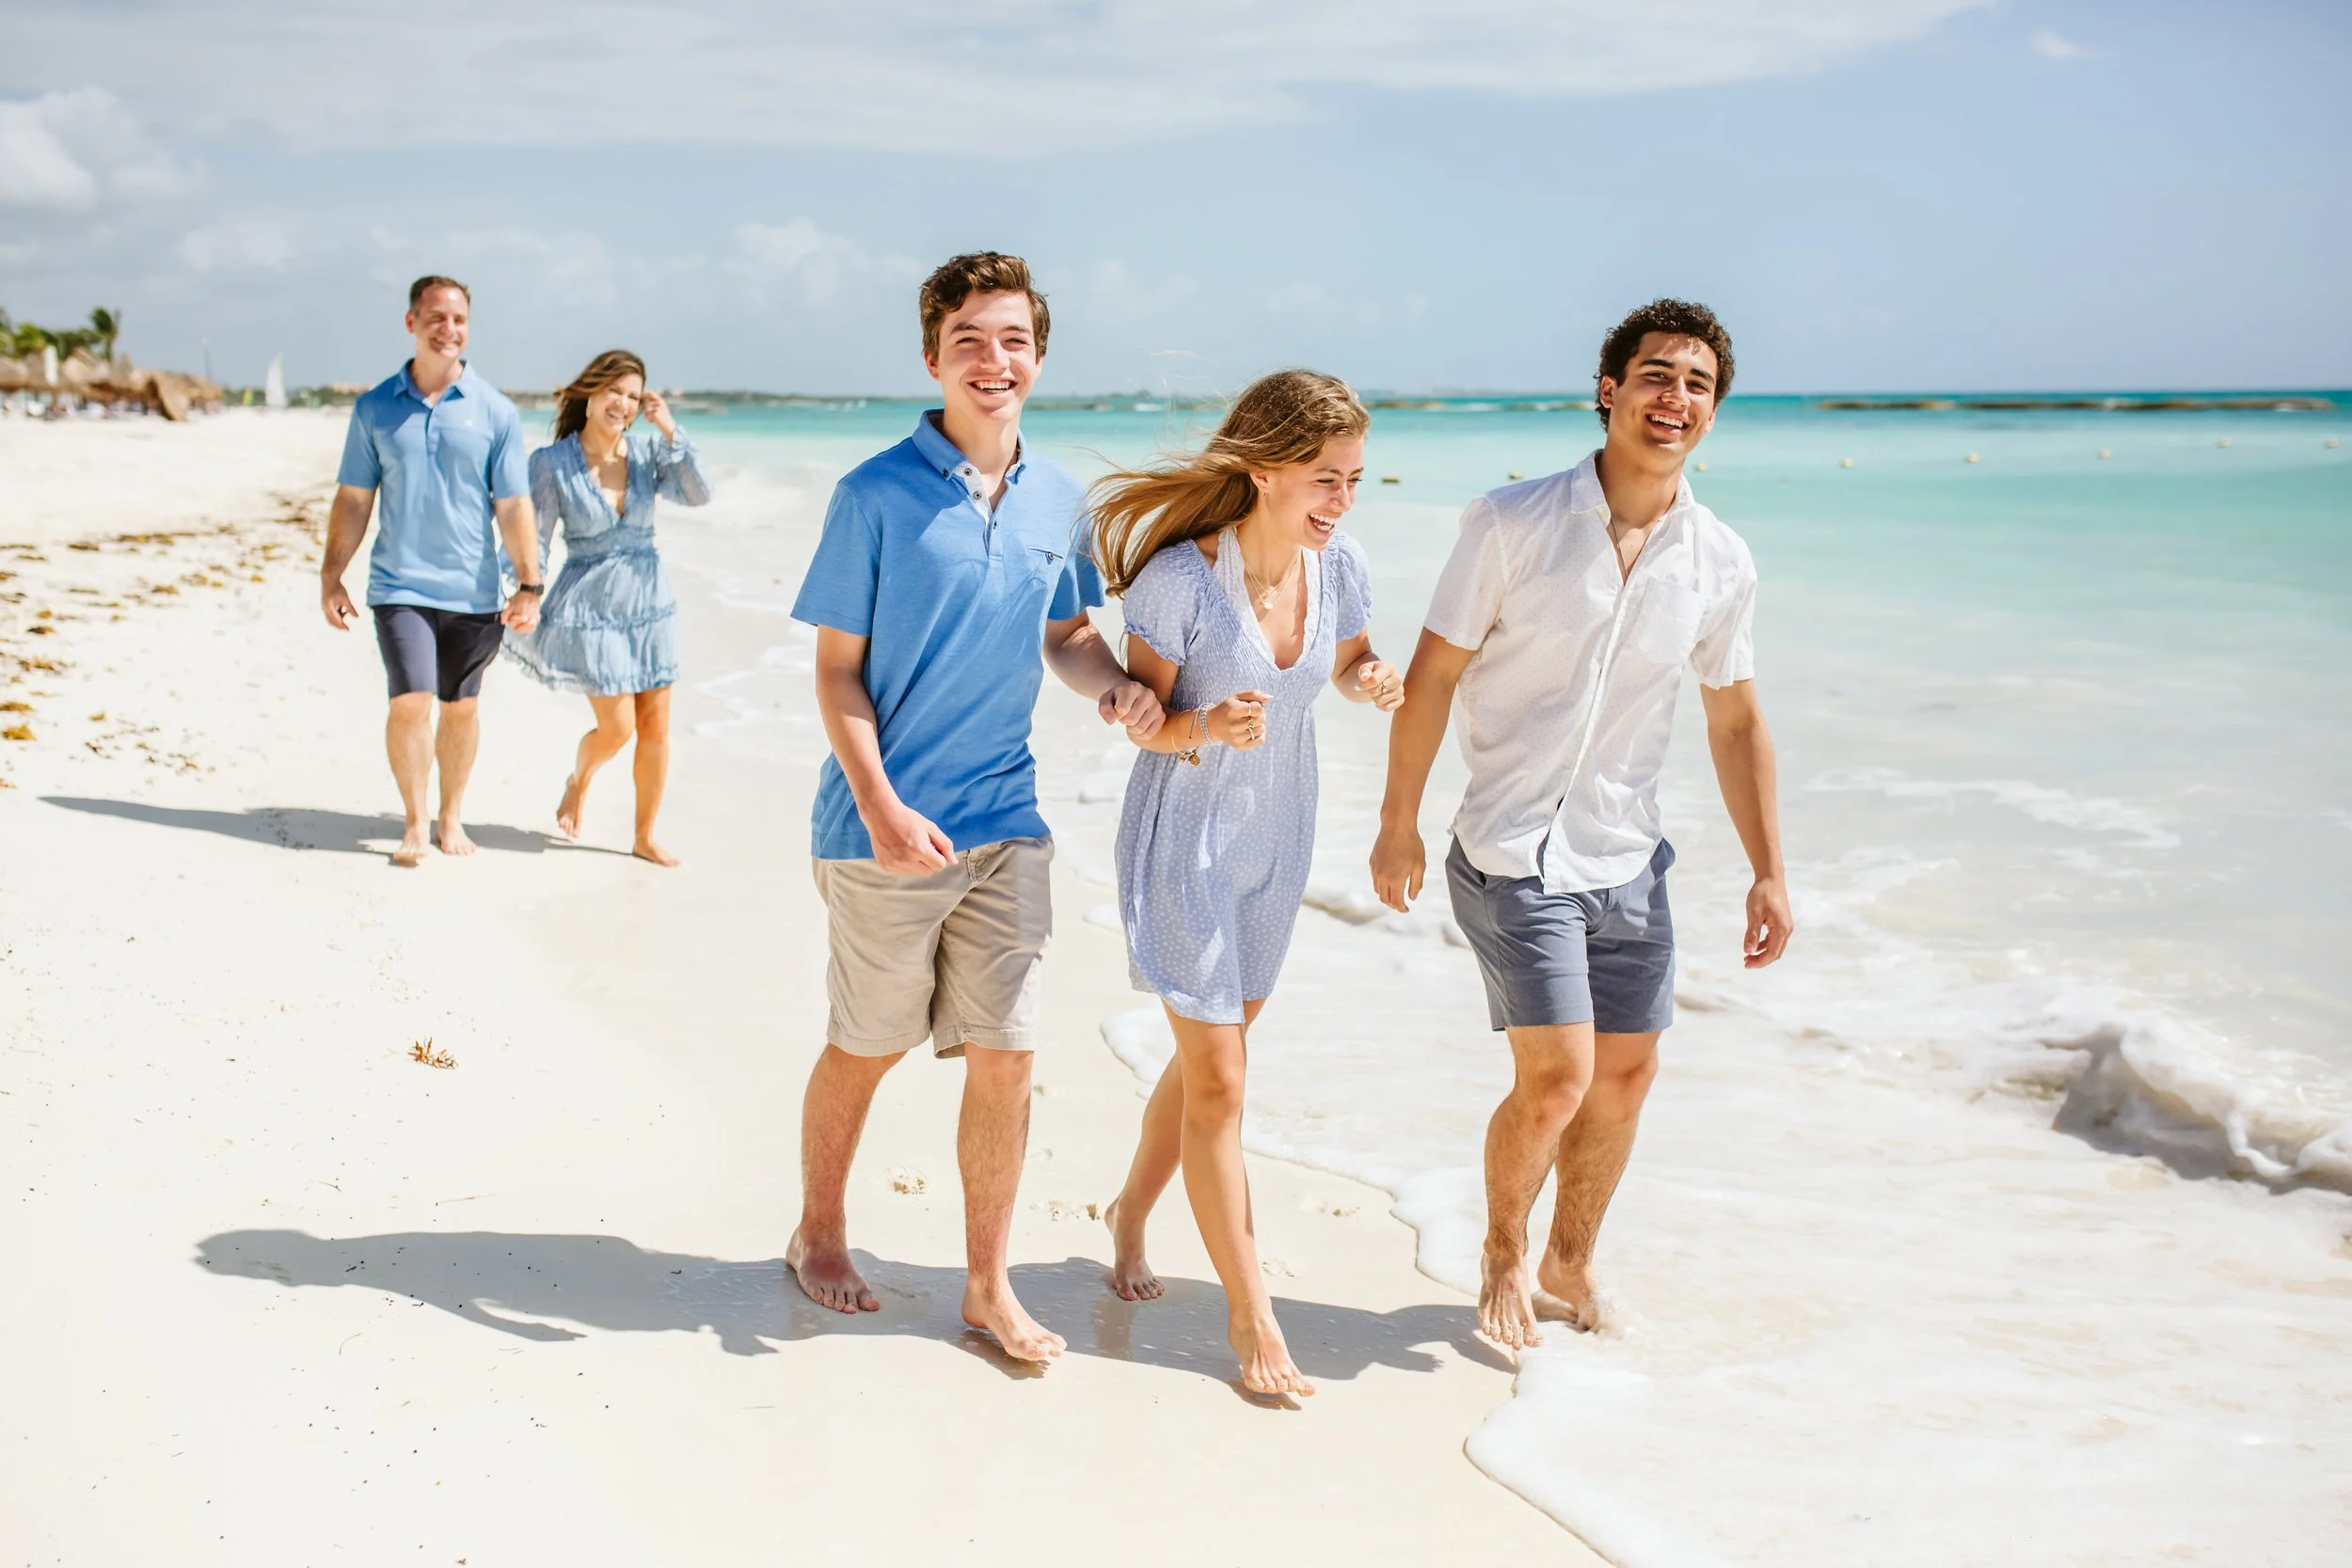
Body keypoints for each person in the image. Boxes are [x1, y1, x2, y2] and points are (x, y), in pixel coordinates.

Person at [1370, 298, 1793, 1349]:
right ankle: (1505, 1253)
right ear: (1608, 390)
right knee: (1557, 1075)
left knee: (1628, 1074)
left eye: (1696, 385)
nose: (1675, 398)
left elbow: (1734, 717)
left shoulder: (1720, 558)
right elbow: (1431, 676)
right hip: (1510, 848)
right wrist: (1397, 821)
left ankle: (1570, 1255)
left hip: (1625, 855)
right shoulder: (1510, 522)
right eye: (1655, 375)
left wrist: (1769, 870)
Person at [785, 252, 1165, 1364]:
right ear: (931, 357)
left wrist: (1120, 686)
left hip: (1008, 817)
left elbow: (1065, 634)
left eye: (1011, 341)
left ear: (1037, 358)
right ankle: (818, 1229)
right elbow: (836, 674)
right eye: (969, 340)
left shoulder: (1058, 497)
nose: (992, 360)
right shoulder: (873, 495)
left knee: (1008, 1050)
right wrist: (884, 808)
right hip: (881, 830)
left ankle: (987, 1285)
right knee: (867, 1044)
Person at [1092, 370, 1404, 1399]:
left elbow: (1349, 660)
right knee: (1220, 1076)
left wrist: (1371, 682)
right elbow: (1145, 719)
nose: (1341, 500)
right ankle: (1248, 1307)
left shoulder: (1339, 563)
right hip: (1184, 828)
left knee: (1207, 1061)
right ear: (1265, 469)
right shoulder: (1180, 582)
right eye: (1325, 478)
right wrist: (1204, 723)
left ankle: (1131, 1210)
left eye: (1354, 480)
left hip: (1279, 833)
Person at [321, 277, 541, 867]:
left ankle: (451, 815)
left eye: (460, 320)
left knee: (462, 707)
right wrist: (332, 576)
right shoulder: (374, 408)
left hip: (474, 592)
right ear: (411, 321)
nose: (449, 329)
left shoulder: (495, 411)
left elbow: (514, 505)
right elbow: (353, 499)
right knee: (411, 702)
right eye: (437, 317)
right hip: (400, 587)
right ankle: (415, 819)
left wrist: (530, 584)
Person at [503, 349, 709, 866]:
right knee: (617, 729)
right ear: (591, 392)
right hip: (591, 607)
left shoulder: (645, 454)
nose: (624, 403)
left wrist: (669, 429)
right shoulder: (550, 463)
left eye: (634, 396)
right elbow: (535, 535)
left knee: (657, 728)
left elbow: (698, 492)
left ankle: (644, 835)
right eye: (615, 390)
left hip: (649, 602)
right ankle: (580, 778)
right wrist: (522, 588)